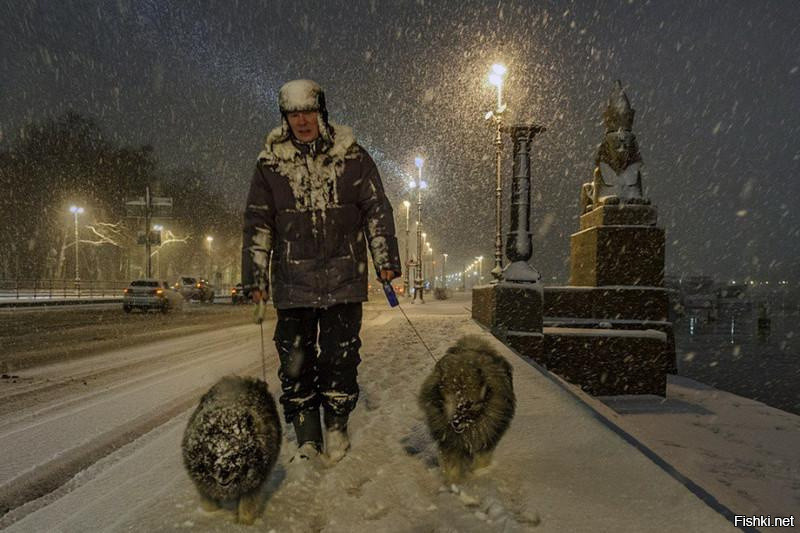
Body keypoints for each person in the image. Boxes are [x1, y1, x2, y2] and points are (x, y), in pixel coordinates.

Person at [242, 79, 401, 465]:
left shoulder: (353, 157)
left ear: (321, 113)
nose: (302, 121)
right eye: (293, 114)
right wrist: (255, 276)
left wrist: (385, 260)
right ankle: (308, 437)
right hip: (293, 284)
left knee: (340, 359)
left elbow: (376, 211)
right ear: (285, 118)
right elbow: (258, 224)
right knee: (294, 361)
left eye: (308, 113)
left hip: (343, 281)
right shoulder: (270, 164)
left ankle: (336, 426)